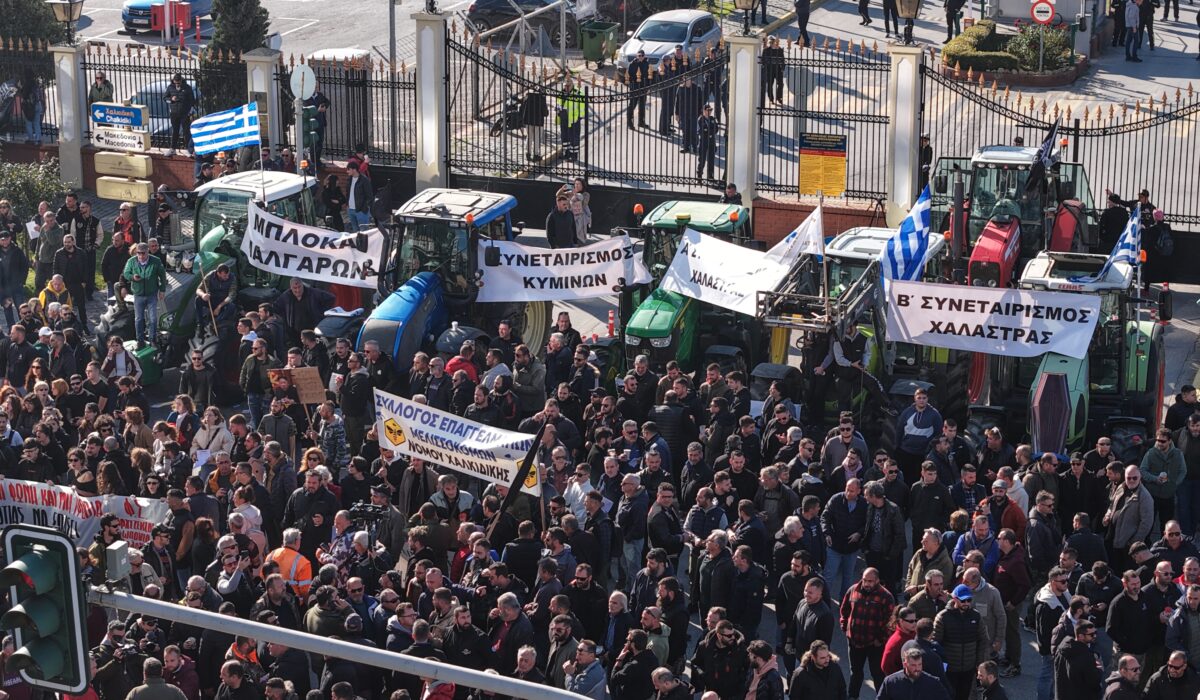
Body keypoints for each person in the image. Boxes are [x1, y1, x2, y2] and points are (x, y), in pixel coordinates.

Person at [840, 567, 895, 700]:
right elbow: (844, 609)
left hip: (875, 644)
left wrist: (880, 639)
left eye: (870, 581)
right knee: (855, 672)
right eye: (865, 580)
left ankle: (882, 697)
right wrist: (844, 626)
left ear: (877, 580)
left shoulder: (886, 597)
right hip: (854, 641)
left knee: (877, 673)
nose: (866, 584)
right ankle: (853, 696)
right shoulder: (853, 590)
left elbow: (891, 621)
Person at [122, 242, 167, 347]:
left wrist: (162, 290)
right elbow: (126, 273)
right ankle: (140, 340)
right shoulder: (131, 261)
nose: (141, 256)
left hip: (152, 294)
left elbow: (162, 275)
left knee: (153, 318)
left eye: (143, 253)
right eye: (139, 253)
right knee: (138, 319)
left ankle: (152, 339)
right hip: (138, 294)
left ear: (148, 252)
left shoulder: (156, 261)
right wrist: (133, 277)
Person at [1054, 620, 1104, 700]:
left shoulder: (1061, 648)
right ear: (1081, 636)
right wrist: (1099, 670)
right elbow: (1094, 682)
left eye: (1095, 633)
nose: (1095, 636)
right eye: (1091, 634)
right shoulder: (1086, 656)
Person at [877, 647, 951, 700]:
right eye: (913, 665)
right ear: (905, 664)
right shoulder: (890, 682)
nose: (917, 669)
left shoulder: (933, 682)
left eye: (919, 664)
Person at [165, 73, 195, 156]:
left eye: (179, 82)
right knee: (175, 131)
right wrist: (171, 99)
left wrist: (190, 110)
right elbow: (165, 98)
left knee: (186, 131)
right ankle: (172, 149)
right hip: (174, 113)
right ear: (173, 81)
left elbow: (192, 100)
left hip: (185, 113)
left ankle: (188, 150)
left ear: (181, 81)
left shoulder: (187, 88)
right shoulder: (170, 87)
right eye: (176, 82)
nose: (177, 84)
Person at [557, 78, 585, 163]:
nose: (566, 87)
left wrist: (580, 117)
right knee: (564, 136)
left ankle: (574, 155)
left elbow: (582, 106)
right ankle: (567, 153)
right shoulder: (562, 93)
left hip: (574, 119)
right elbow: (558, 103)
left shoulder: (578, 93)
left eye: (568, 86)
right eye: (565, 85)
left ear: (572, 85)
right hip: (564, 117)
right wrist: (558, 111)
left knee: (574, 137)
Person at [344, 162, 373, 231]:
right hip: (351, 209)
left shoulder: (364, 180)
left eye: (349, 169)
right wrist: (347, 205)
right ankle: (357, 242)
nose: (347, 171)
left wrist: (363, 207)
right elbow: (348, 193)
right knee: (355, 230)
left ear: (354, 170)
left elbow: (369, 196)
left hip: (361, 210)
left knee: (364, 231)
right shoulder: (349, 179)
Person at [695, 104, 719, 184]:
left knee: (711, 160)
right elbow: (701, 131)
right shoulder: (700, 119)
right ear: (704, 111)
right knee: (702, 160)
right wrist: (709, 131)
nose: (710, 112)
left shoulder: (712, 119)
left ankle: (710, 176)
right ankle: (699, 176)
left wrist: (708, 131)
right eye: (708, 110)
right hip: (703, 142)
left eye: (711, 110)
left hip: (712, 141)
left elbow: (716, 129)